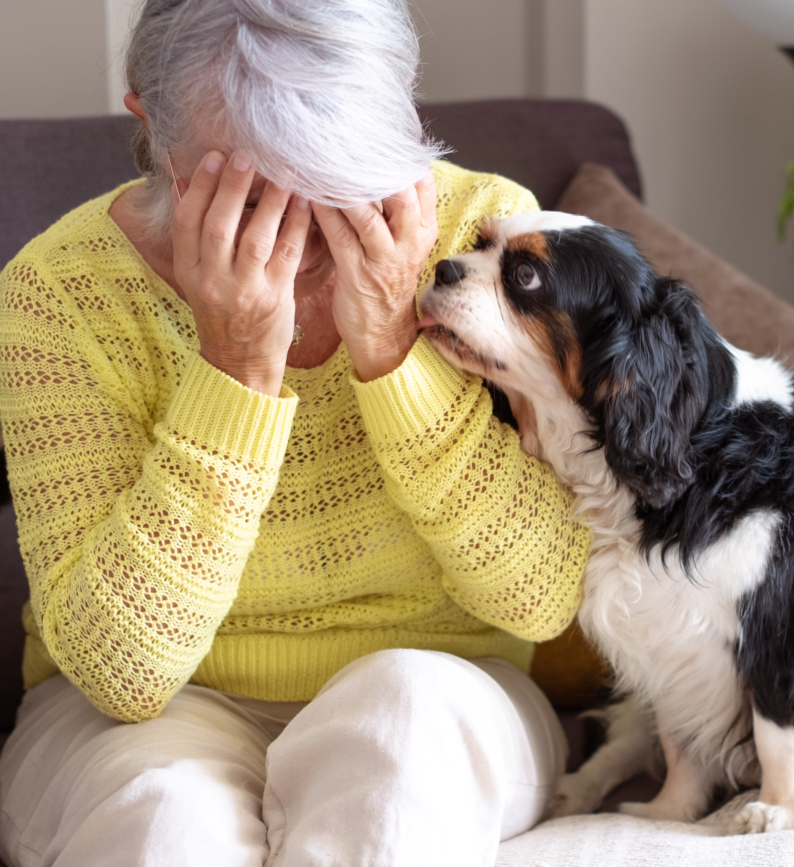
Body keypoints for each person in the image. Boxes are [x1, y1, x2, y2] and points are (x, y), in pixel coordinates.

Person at [0, 1, 590, 865]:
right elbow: (122, 673)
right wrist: (235, 371)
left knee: (403, 735)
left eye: (346, 171)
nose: (311, 225)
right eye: (256, 190)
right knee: (166, 818)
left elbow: (539, 599)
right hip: (152, 708)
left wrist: (393, 348)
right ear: (151, 129)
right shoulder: (57, 293)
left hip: (441, 678)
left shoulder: (487, 240)